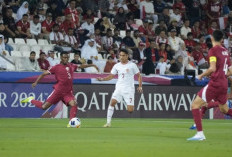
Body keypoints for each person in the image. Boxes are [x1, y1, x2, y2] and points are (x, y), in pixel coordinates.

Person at [21, 51, 99, 127]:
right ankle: (30, 99)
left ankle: (71, 122)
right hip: (58, 91)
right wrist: (36, 82)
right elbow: (44, 74)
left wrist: (92, 65)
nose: (66, 59)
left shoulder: (71, 65)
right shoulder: (56, 67)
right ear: (61, 58)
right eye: (64, 57)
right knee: (43, 107)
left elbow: (81, 66)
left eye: (67, 57)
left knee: (74, 104)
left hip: (67, 92)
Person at [187, 30, 232, 141]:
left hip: (215, 83)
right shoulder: (226, 51)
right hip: (224, 83)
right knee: (225, 109)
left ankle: (200, 134)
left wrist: (201, 76)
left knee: (195, 105)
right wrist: (222, 75)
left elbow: (212, 68)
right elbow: (230, 71)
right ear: (222, 39)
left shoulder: (213, 50)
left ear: (212, 38)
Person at [97, 49, 143, 127]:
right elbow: (111, 76)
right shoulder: (116, 65)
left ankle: (126, 101)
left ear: (127, 56)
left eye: (123, 55)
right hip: (119, 88)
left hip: (129, 90)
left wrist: (140, 86)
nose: (121, 57)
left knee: (130, 110)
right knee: (112, 103)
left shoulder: (132, 65)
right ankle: (108, 123)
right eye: (120, 55)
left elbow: (139, 76)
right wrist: (102, 79)